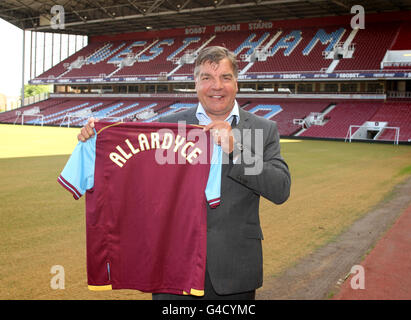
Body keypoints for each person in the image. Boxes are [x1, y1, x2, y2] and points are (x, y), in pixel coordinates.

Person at [77, 46, 291, 300]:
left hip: (234, 270)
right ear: (195, 83)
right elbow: (135, 179)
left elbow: (280, 189)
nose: (216, 86)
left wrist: (237, 149)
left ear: (236, 82)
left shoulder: (263, 129)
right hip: (170, 268)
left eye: (225, 77)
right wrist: (97, 140)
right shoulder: (167, 127)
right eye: (207, 78)